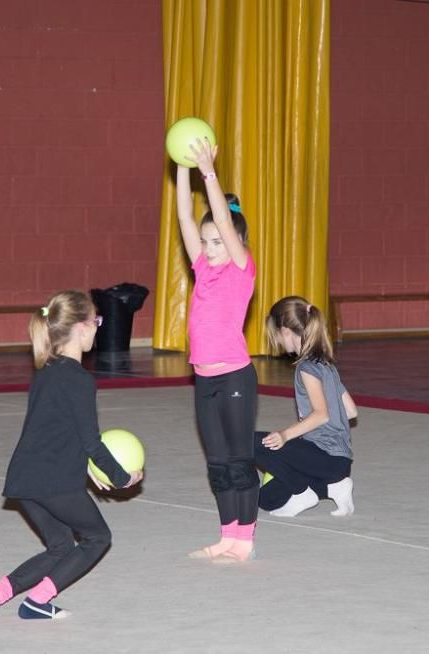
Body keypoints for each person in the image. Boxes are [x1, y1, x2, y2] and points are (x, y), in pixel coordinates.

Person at [0, 291, 143, 622]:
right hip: (54, 482)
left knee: (60, 547)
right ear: (82, 328)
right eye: (97, 322)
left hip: (24, 478)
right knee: (98, 538)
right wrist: (121, 478)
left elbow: (55, 433)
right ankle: (38, 600)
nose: (98, 329)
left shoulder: (45, 371)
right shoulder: (80, 380)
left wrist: (89, 472)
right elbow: (91, 442)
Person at [177, 139, 260, 563]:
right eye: (206, 242)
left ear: (235, 243)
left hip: (234, 376)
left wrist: (208, 172)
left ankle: (245, 538)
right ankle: (227, 534)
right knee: (217, 462)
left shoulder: (242, 270)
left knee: (240, 459)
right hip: (204, 378)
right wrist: (180, 168)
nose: (209, 248)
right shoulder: (203, 270)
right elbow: (183, 219)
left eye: (217, 241)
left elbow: (224, 225)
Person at [256, 296, 358, 517]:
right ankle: (334, 487)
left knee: (251, 443)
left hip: (325, 458)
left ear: (285, 331)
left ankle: (301, 492)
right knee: (267, 498)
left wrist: (286, 435)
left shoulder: (306, 368)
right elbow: (351, 411)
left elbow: (321, 415)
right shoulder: (326, 365)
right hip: (338, 462)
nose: (278, 342)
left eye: (276, 336)